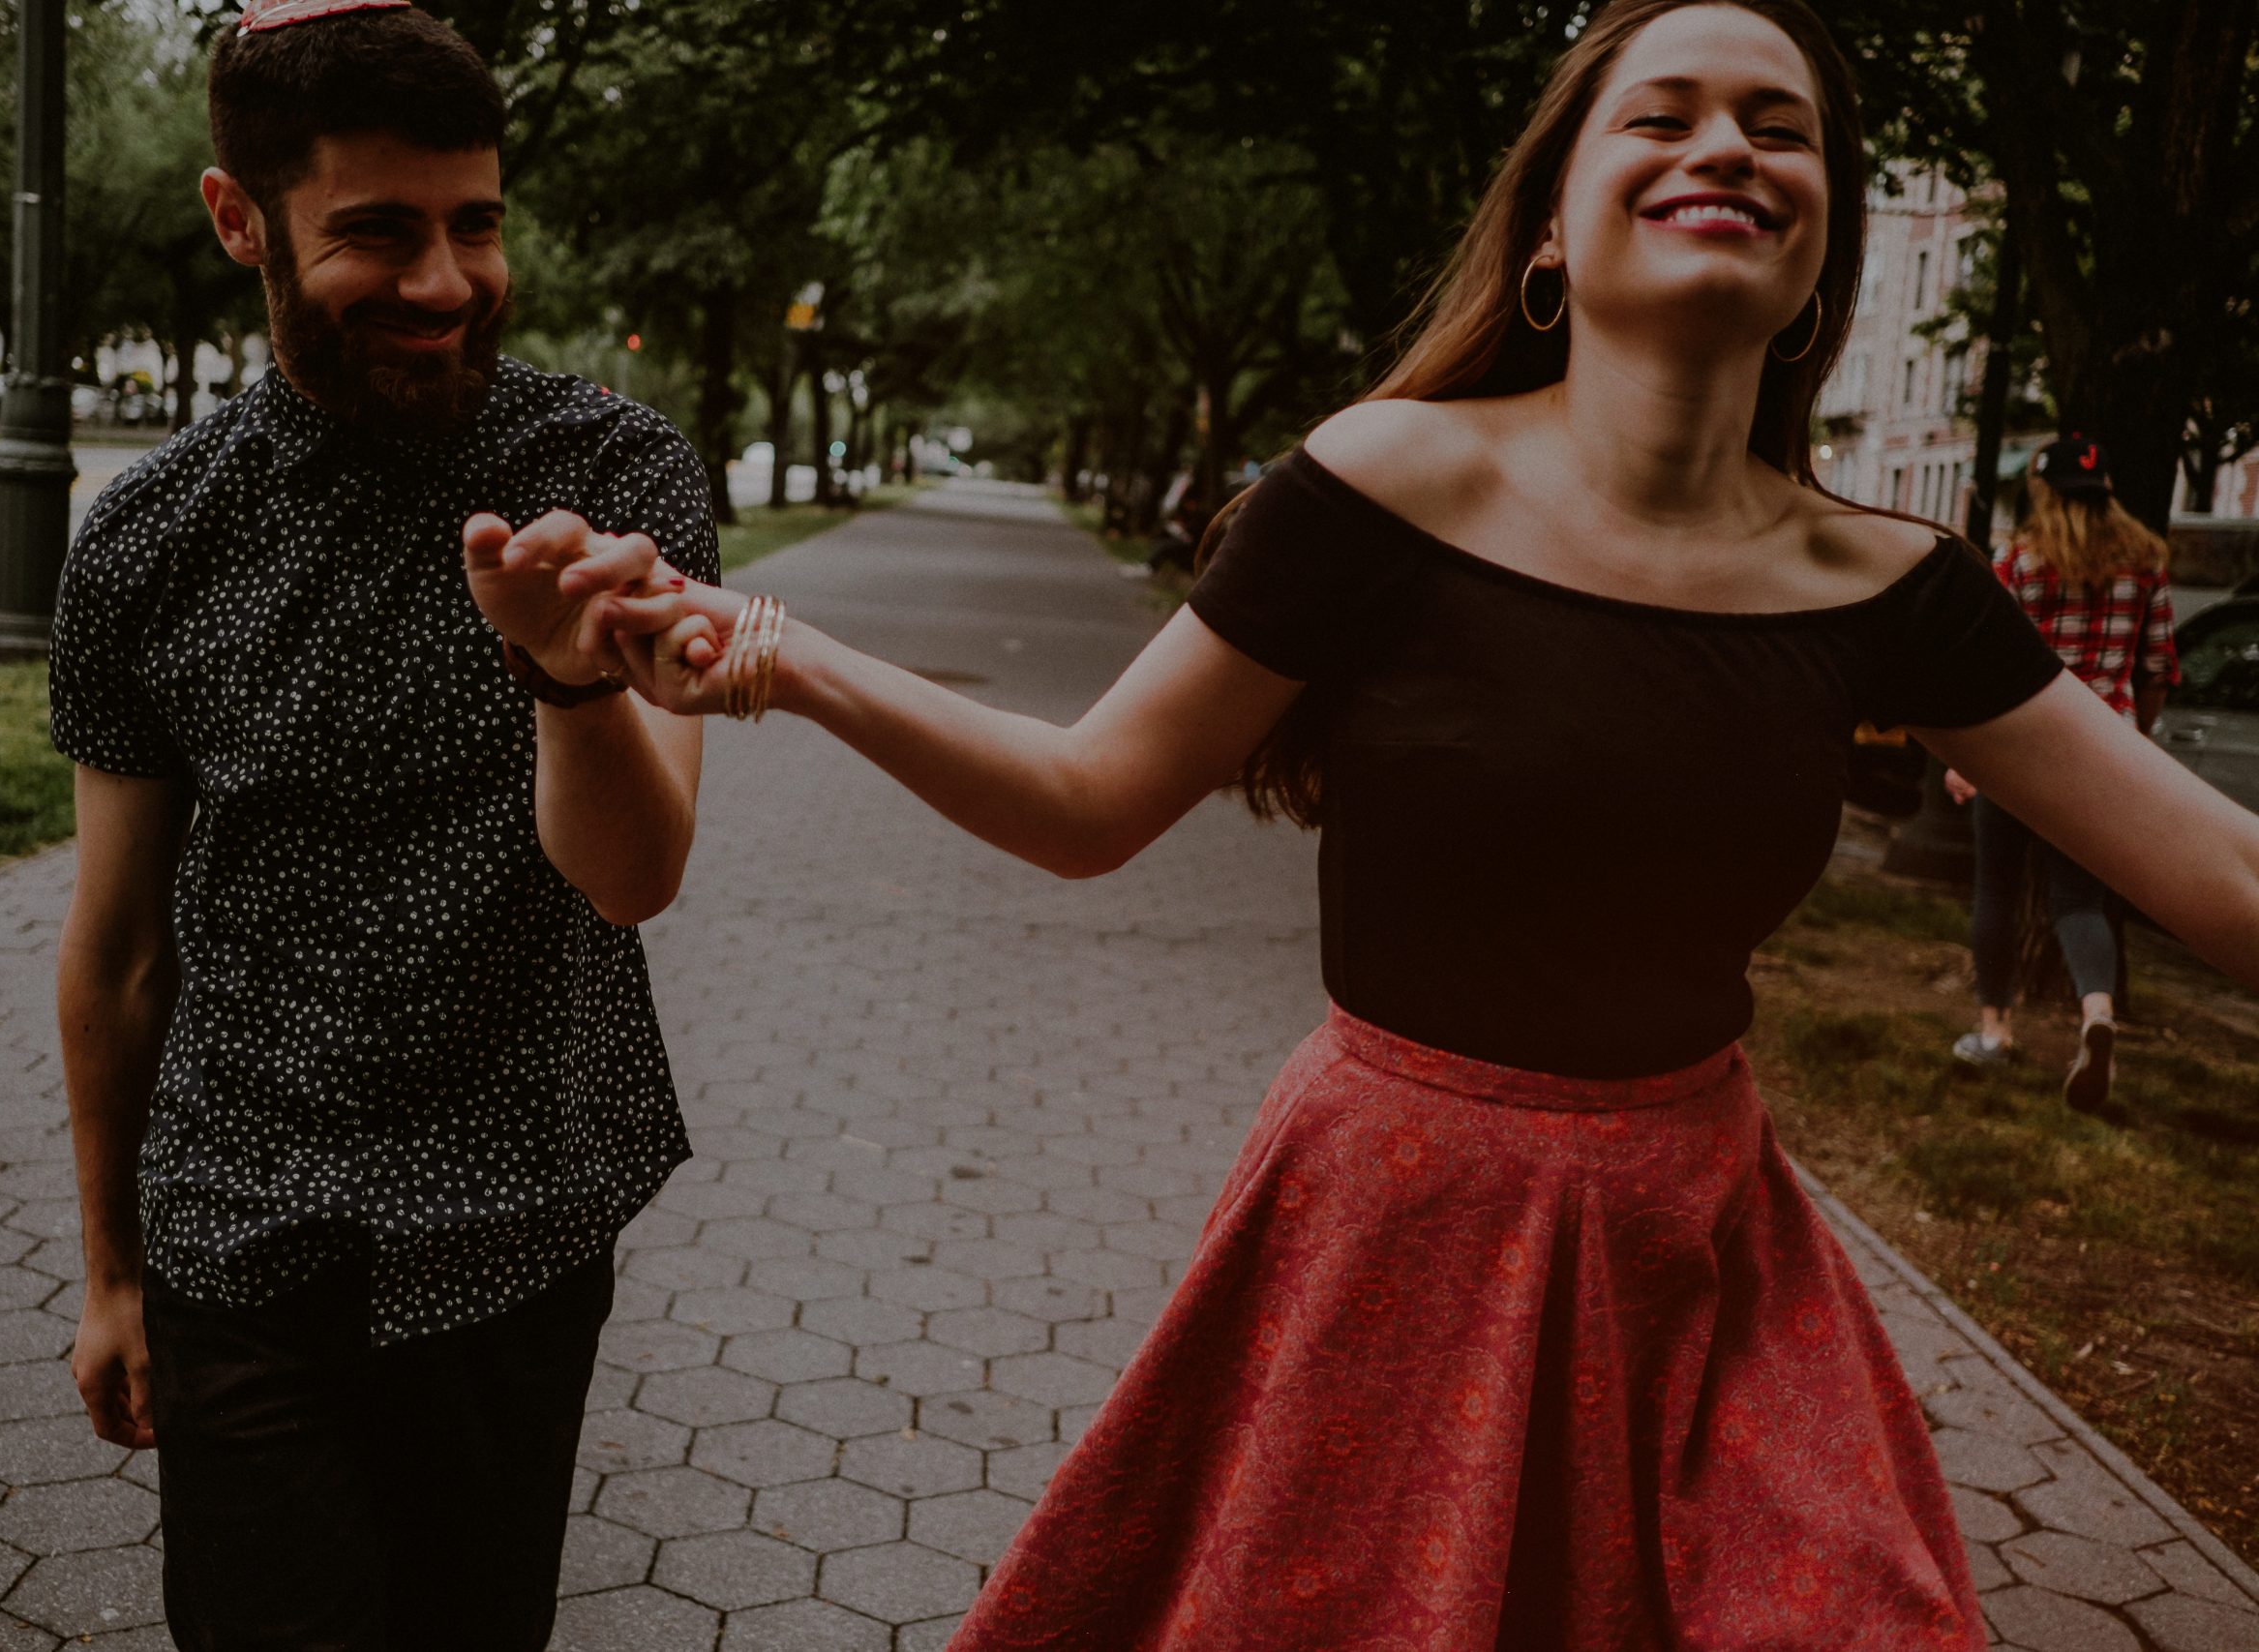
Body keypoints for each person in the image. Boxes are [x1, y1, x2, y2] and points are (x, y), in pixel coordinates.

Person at [485, 1, 2259, 1645]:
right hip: (1397, 1221)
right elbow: (1091, 801)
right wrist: (781, 657)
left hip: (1702, 1242)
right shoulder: (1382, 483)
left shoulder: (1893, 579)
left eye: (1778, 129)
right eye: (1668, 114)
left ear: (1820, 254)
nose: (1729, 146)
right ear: (1553, 232)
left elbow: (2223, 871)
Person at [47, 4, 719, 1646]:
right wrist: (111, 1268)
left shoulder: (615, 479)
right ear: (239, 221)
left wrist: (564, 678)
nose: (443, 280)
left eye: (474, 224)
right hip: (238, 1228)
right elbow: (124, 948)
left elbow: (633, 875)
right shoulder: (145, 542)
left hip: (513, 1230)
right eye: (376, 231)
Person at [1945, 435, 2180, 1115]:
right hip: (2105, 750)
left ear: (2043, 490)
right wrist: (2134, 725)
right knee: (2079, 899)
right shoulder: (2146, 560)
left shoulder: (2018, 560)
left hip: (2020, 746)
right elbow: (2158, 666)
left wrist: (1965, 756)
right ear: (2106, 489)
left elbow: (1984, 662)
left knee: (1998, 882)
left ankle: (1994, 1030)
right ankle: (2097, 1012)